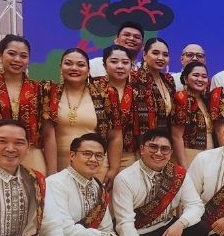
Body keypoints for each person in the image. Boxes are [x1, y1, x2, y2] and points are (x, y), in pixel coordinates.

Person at [112, 128, 207, 236]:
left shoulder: (178, 175)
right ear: (142, 149)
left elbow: (196, 205)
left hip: (166, 229)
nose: (158, 153)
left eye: (164, 149)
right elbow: (124, 224)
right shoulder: (125, 178)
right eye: (153, 147)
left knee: (198, 228)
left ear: (170, 153)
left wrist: (180, 224)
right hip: (136, 233)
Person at [0, 34, 53, 175]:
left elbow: (48, 133)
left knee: (34, 189)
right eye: (11, 54)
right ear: (0, 54)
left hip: (32, 155)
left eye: (23, 56)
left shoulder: (40, 89)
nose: (17, 59)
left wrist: (52, 172)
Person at [44, 48, 115, 181]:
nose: (74, 68)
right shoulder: (50, 94)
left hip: (94, 166)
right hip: (59, 166)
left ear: (88, 70)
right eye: (68, 63)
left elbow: (114, 136)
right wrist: (52, 172)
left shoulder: (104, 95)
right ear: (60, 67)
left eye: (80, 65)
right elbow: (47, 134)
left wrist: (113, 169)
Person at [98, 44, 138, 182]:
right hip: (98, 153)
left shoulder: (140, 92)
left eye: (125, 62)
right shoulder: (94, 89)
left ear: (131, 66)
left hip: (128, 154)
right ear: (104, 65)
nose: (120, 66)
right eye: (114, 62)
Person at [171, 61, 215, 169]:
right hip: (189, 157)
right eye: (195, 75)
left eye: (204, 76)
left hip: (209, 158)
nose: (200, 79)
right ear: (185, 79)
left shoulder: (206, 101)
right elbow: (176, 136)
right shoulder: (182, 99)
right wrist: (184, 167)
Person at [135, 36, 174, 133]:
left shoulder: (168, 81)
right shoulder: (134, 79)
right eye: (155, 53)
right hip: (139, 137)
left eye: (165, 55)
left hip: (163, 138)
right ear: (144, 55)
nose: (161, 58)